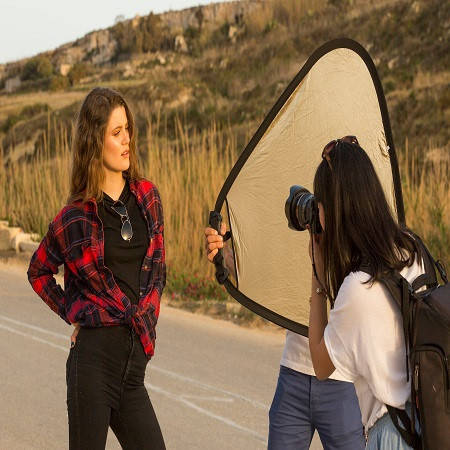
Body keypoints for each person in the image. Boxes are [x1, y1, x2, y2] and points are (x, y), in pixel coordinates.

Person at [27, 87, 166, 450]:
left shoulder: (148, 198)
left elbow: (158, 274)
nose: (127, 141)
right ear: (94, 141)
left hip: (132, 371)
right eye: (116, 133)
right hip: (91, 368)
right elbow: (38, 271)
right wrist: (74, 312)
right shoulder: (73, 217)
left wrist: (145, 321)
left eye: (128, 130)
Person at [307, 136, 424, 449]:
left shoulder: (358, 289)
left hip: (391, 434)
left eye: (319, 207)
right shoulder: (411, 249)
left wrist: (318, 279)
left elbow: (321, 364)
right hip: (428, 423)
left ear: (333, 210)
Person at [205, 226, 365, 444]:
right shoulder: (299, 224)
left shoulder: (359, 228)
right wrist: (225, 255)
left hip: (344, 381)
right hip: (294, 373)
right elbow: (272, 279)